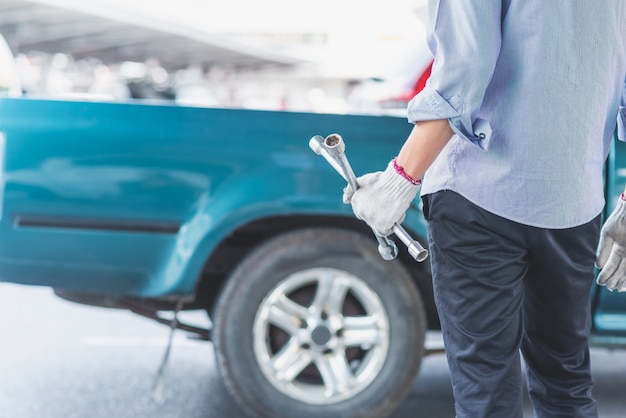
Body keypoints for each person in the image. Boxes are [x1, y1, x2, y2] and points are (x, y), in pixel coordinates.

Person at [343, 1, 626, 417]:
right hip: (573, 203)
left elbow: (464, 67)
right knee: (566, 385)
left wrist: (400, 179)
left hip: (477, 199)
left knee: (486, 393)